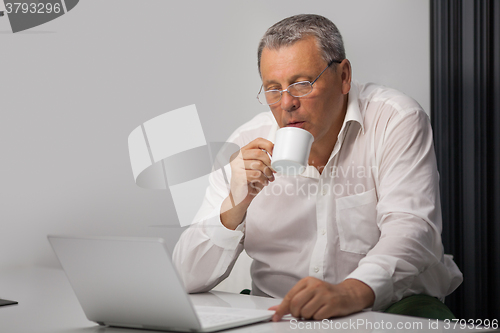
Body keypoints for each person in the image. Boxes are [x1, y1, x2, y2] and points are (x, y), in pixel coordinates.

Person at [173, 14, 462, 321]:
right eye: (273, 88)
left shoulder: (394, 119)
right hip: (279, 311)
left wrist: (352, 291)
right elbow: (184, 276)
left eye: (301, 84)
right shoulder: (246, 144)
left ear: (344, 76)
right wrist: (235, 206)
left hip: (387, 304)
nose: (286, 103)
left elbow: (412, 229)